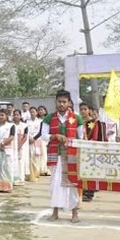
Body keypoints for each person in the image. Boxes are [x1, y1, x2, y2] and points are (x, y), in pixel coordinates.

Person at [41, 90, 84, 223]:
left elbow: (81, 137)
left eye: (64, 102)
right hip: (56, 156)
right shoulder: (49, 118)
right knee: (55, 184)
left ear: (69, 103)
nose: (61, 104)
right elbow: (43, 136)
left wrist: (71, 143)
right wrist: (55, 136)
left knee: (72, 184)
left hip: (71, 156)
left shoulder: (77, 118)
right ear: (56, 102)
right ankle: (55, 212)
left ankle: (74, 213)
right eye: (59, 101)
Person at [0, 111, 17, 193]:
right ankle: (0, 186)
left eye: (2, 115)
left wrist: (3, 143)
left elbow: (11, 136)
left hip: (7, 149)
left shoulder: (11, 125)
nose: (1, 117)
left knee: (7, 167)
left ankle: (8, 187)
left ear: (6, 116)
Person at [12, 109, 29, 186]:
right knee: (13, 162)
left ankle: (21, 179)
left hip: (21, 146)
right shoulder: (11, 125)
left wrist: (19, 145)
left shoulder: (24, 126)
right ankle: (14, 179)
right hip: (12, 146)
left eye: (17, 115)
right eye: (14, 115)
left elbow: (25, 137)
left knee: (21, 162)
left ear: (20, 116)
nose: (16, 116)